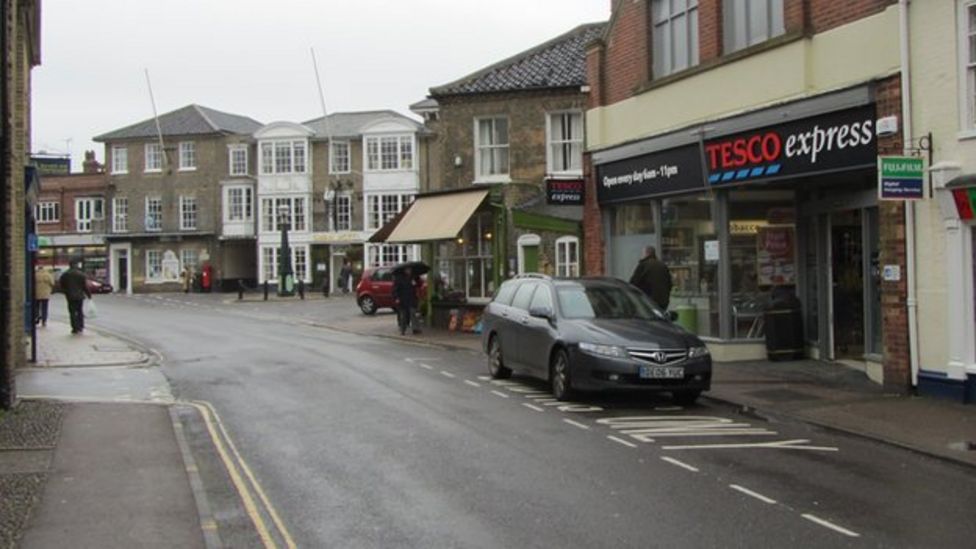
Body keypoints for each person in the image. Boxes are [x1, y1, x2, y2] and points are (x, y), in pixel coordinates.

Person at [629, 246, 673, 310]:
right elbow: (669, 284)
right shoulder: (663, 265)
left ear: (646, 254)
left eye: (643, 253)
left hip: (648, 301)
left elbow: (633, 282)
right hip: (663, 301)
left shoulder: (643, 265)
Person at [59, 261, 92, 334]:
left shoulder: (65, 274)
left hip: (70, 296)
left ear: (70, 265)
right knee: (80, 311)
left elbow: (61, 285)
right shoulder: (81, 274)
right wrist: (89, 294)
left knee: (72, 312)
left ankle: (74, 327)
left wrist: (65, 292)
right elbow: (85, 286)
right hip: (80, 296)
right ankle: (81, 326)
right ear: (76, 265)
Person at [393, 266, 419, 335]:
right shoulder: (399, 278)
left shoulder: (412, 278)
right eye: (408, 270)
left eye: (410, 270)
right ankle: (403, 330)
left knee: (413, 313)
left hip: (411, 299)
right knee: (403, 316)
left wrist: (416, 280)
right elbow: (395, 290)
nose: (409, 271)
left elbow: (417, 286)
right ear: (404, 270)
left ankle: (415, 329)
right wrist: (397, 298)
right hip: (402, 299)